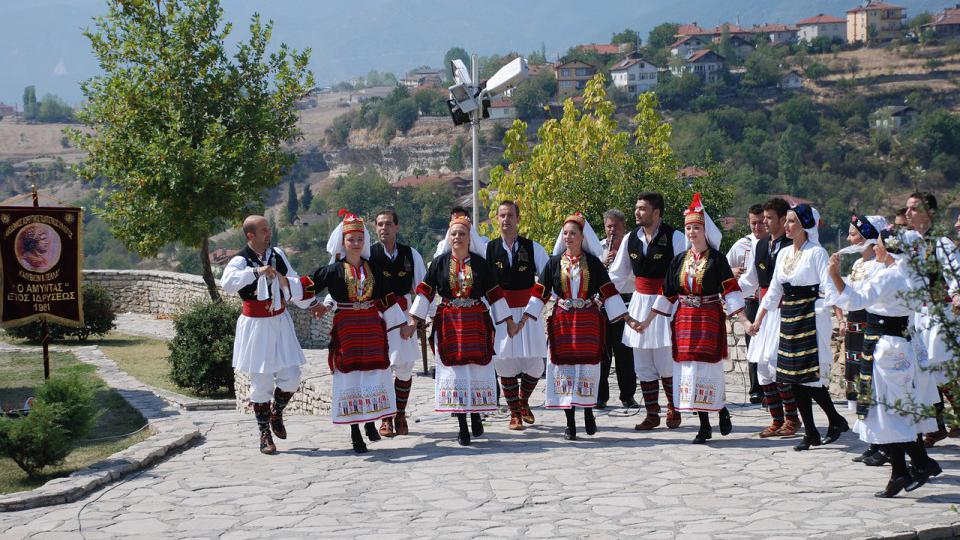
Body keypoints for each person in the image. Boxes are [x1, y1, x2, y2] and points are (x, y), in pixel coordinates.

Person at [829, 235, 942, 497]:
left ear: (890, 249)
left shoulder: (890, 276)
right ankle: (902, 470)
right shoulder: (907, 271)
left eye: (878, 243)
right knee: (886, 409)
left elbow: (856, 301)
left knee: (887, 409)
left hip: (885, 348)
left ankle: (919, 464)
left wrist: (834, 274)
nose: (874, 247)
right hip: (896, 343)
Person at [639, 194, 745, 443]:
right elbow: (667, 293)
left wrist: (745, 321)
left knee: (707, 369)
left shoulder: (717, 260)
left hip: (708, 318)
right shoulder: (678, 260)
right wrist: (647, 321)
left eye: (696, 227)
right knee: (689, 371)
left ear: (705, 230)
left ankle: (720, 408)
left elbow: (730, 291)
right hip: (685, 320)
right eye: (688, 228)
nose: (691, 232)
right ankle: (704, 424)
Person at [747, 204, 848, 451]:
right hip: (788, 316)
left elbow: (828, 287)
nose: (787, 225)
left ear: (805, 225)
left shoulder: (817, 253)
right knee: (791, 378)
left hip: (810, 317)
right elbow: (774, 290)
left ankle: (830, 422)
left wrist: (835, 315)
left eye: (792, 221)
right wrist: (759, 318)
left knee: (808, 378)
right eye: (787, 221)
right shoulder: (783, 254)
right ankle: (817, 429)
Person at [522, 212, 629, 440]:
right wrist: (526, 317)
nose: (568, 237)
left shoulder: (593, 263)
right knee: (565, 370)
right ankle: (570, 421)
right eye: (566, 233)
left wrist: (624, 316)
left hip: (588, 320)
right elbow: (540, 291)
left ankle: (588, 411)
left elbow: (608, 289)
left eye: (573, 233)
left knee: (587, 368)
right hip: (563, 321)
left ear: (582, 237)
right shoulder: (553, 263)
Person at [310, 210, 407, 454]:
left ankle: (371, 422)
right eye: (351, 239)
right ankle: (355, 431)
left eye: (359, 239)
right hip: (348, 330)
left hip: (372, 328)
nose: (355, 243)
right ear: (343, 242)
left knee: (374, 374)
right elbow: (306, 288)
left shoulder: (372, 268)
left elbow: (385, 297)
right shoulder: (333, 271)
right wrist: (313, 303)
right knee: (351, 378)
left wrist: (402, 323)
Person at [409, 215, 511, 446]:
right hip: (449, 323)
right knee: (455, 374)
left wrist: (508, 321)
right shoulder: (439, 263)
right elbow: (425, 292)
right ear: (449, 237)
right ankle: (463, 425)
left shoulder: (481, 264)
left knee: (475, 369)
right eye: (453, 234)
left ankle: (476, 414)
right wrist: (413, 320)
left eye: (462, 234)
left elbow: (494, 293)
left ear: (469, 238)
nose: (457, 237)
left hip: (476, 322)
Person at [221, 215, 315, 455]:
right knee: (261, 381)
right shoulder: (241, 260)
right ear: (250, 235)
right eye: (264, 230)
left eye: (268, 229)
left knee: (292, 376)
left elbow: (292, 279)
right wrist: (256, 272)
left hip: (280, 322)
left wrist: (311, 302)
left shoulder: (278, 254)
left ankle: (276, 413)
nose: (269, 233)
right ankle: (264, 434)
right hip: (256, 326)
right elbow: (228, 283)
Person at [609, 192, 687, 431]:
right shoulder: (631, 238)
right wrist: (602, 296)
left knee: (665, 360)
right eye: (636, 207)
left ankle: (674, 408)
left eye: (642, 208)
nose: (637, 212)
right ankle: (652, 413)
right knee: (642, 362)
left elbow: (684, 273)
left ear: (656, 212)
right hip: (639, 303)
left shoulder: (675, 237)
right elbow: (618, 275)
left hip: (667, 303)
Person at [740, 198, 802, 438]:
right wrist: (729, 287)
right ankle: (777, 419)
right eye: (763, 218)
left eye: (769, 218)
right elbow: (751, 280)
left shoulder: (793, 245)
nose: (764, 222)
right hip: (764, 311)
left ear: (780, 219)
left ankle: (792, 418)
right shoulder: (761, 245)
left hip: (784, 310)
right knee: (763, 368)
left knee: (779, 367)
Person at [486, 201, 550, 430]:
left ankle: (523, 401)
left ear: (518, 219)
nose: (506, 220)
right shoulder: (489, 249)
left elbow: (547, 277)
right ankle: (515, 413)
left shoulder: (533, 248)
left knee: (534, 364)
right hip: (500, 312)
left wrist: (535, 307)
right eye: (502, 215)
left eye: (510, 215)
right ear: (497, 219)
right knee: (504, 362)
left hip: (527, 312)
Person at [904, 192, 960, 448]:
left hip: (940, 312)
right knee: (924, 370)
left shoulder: (942, 243)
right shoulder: (910, 243)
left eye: (914, 209)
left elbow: (954, 275)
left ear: (930, 213)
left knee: (936, 366)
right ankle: (937, 425)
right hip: (917, 314)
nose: (908, 214)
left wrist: (957, 294)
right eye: (907, 209)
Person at [832, 215, 888, 464]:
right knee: (857, 380)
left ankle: (881, 444)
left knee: (871, 383)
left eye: (853, 234)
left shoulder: (878, 265)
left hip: (871, 326)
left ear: (867, 237)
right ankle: (871, 441)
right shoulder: (857, 264)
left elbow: (864, 298)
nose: (848, 239)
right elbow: (849, 296)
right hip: (856, 328)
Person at [369, 209, 427, 438]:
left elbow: (424, 289)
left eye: (389, 223)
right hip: (377, 316)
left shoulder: (410, 254)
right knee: (382, 368)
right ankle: (386, 418)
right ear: (375, 228)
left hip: (403, 315)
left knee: (403, 369)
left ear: (397, 227)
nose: (384, 227)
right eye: (380, 224)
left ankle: (400, 413)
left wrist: (415, 321)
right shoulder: (368, 255)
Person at [597, 209, 639, 409]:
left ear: (624, 227)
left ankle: (627, 396)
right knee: (603, 352)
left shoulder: (632, 247)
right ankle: (600, 396)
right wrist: (604, 264)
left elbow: (637, 277)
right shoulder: (599, 247)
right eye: (609, 226)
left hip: (626, 302)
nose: (612, 230)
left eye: (616, 226)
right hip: (604, 303)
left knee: (625, 353)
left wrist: (621, 268)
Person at [726, 204, 766, 403]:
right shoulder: (742, 244)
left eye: (761, 223)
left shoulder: (775, 243)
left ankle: (772, 387)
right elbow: (723, 268)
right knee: (752, 344)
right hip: (750, 301)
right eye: (753, 223)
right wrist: (732, 270)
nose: (757, 227)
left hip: (769, 302)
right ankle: (755, 388)